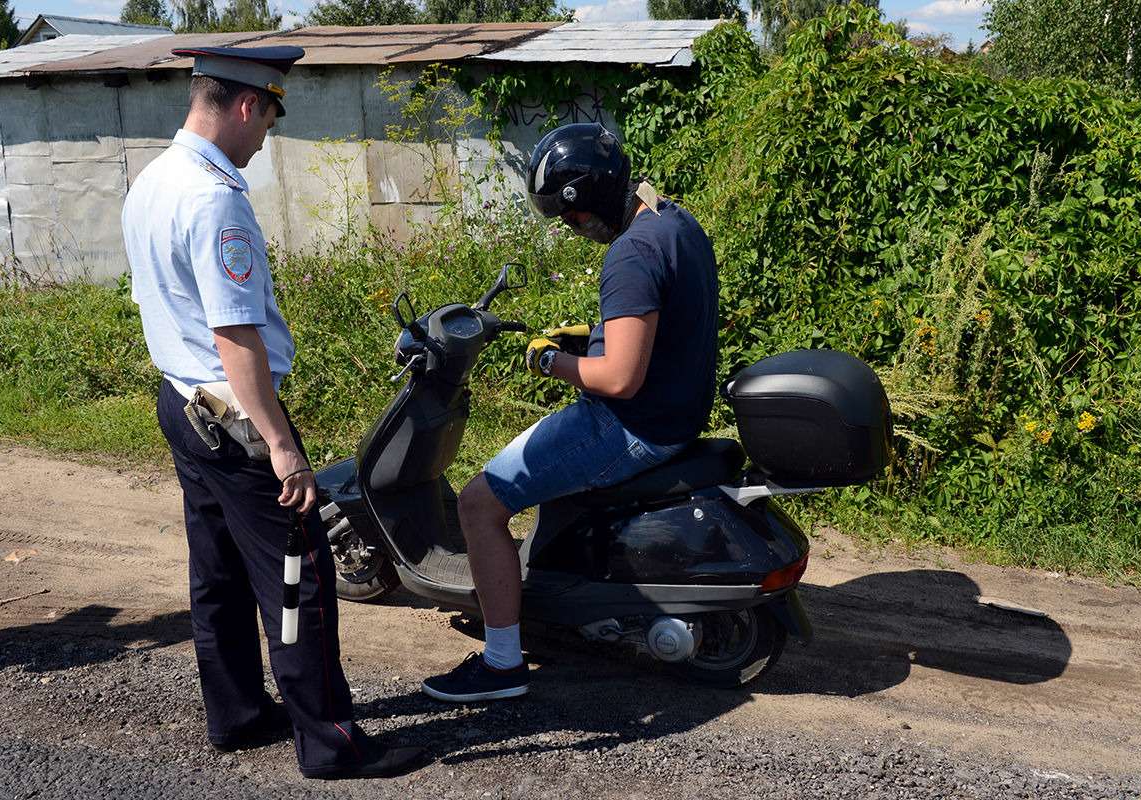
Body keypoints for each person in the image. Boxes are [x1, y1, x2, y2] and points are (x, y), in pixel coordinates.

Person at [121, 45, 424, 779]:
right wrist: (281, 444)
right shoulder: (213, 197)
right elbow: (235, 335)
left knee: (217, 574)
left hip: (181, 402)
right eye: (268, 122)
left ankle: (236, 714)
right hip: (234, 417)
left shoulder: (153, 179)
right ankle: (329, 743)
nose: (265, 140)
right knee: (300, 575)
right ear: (248, 105)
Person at [421, 123, 720, 703]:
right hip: (675, 414)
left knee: (477, 504)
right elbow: (665, 325)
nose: (572, 227)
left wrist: (550, 360)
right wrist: (597, 334)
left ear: (592, 201)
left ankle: (502, 663)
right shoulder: (673, 221)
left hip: (631, 426)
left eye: (571, 216)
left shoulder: (630, 253)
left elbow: (620, 379)